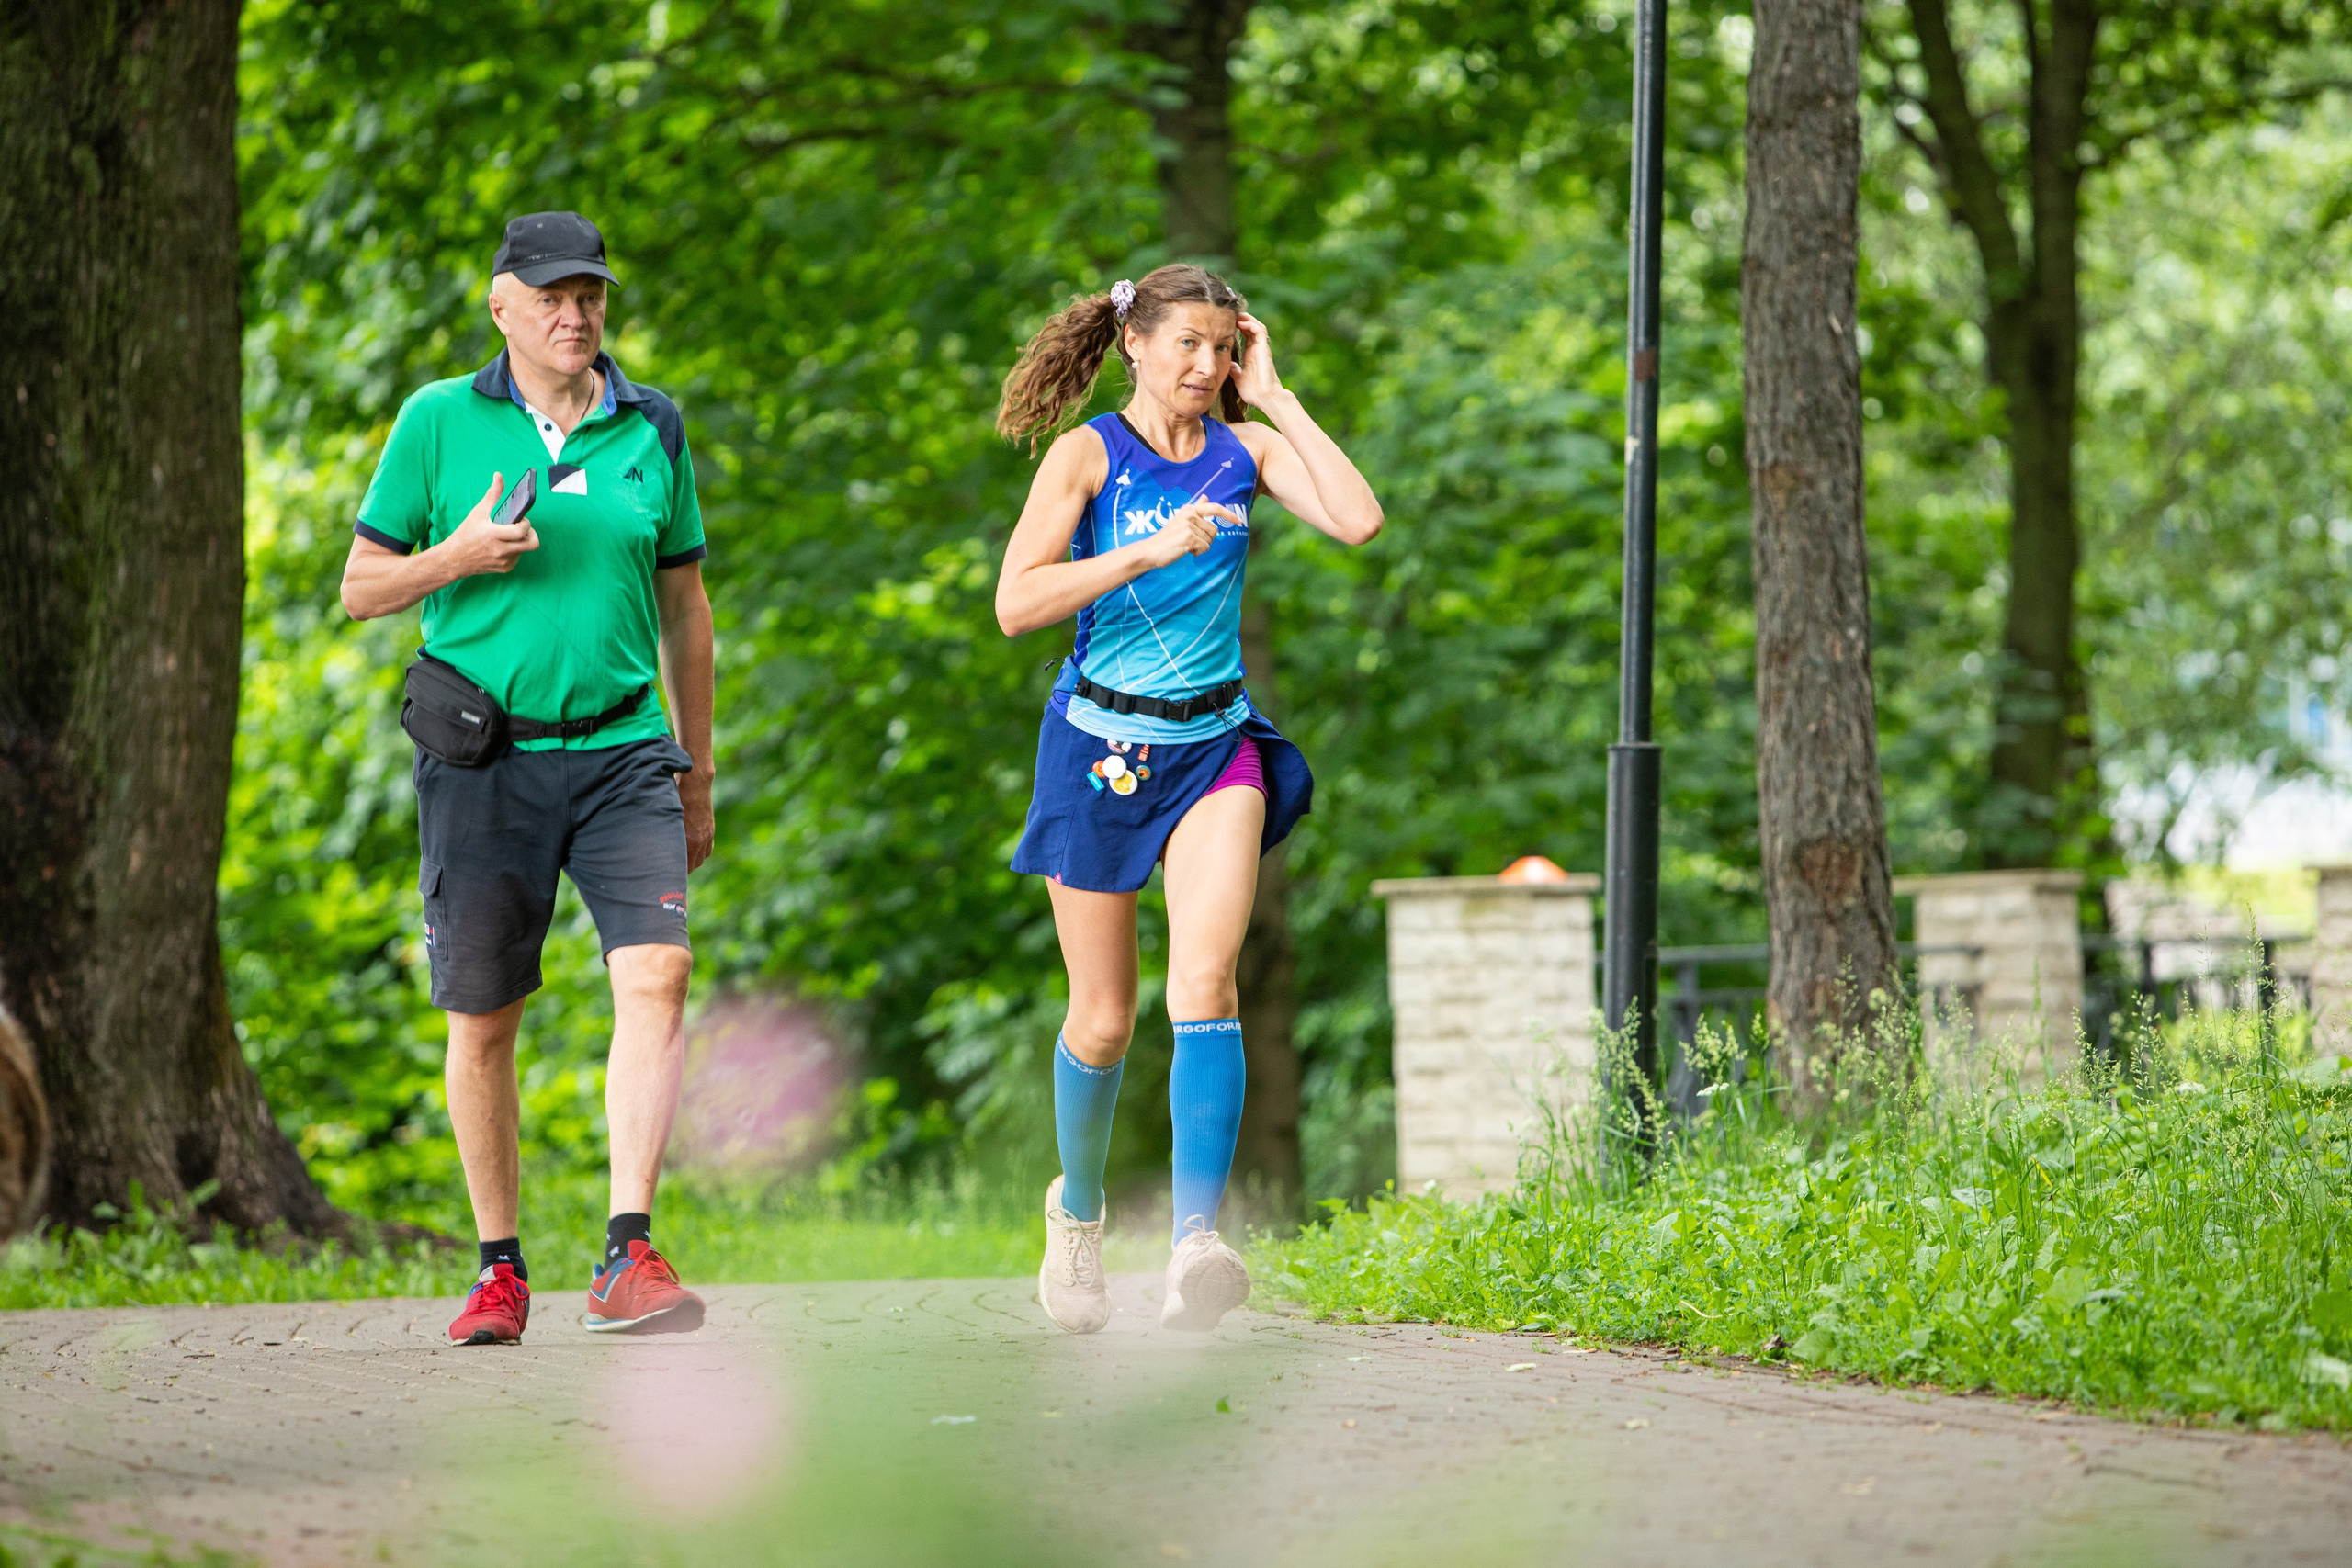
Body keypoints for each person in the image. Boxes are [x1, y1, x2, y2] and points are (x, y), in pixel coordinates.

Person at [340, 212, 716, 1345]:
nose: (575, 313)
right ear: (500, 305)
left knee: (658, 973)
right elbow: (362, 587)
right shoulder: (438, 422)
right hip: (485, 759)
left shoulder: (652, 425)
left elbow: (685, 609)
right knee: (484, 1017)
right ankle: (500, 1270)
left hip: (624, 751)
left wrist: (695, 772)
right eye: (550, 295)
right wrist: (455, 556)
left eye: (590, 293)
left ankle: (627, 1251)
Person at [993, 265, 1384, 1334]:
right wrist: (1144, 551)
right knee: (1105, 1020)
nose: (1207, 367)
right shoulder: (1087, 457)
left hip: (1216, 746)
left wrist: (1281, 399)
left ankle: (1195, 1244)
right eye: (1189, 347)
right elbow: (1015, 605)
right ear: (1135, 344)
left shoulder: (1245, 450)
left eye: (1224, 348)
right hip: (1099, 751)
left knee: (1205, 984)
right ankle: (1076, 1218)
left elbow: (1357, 520)